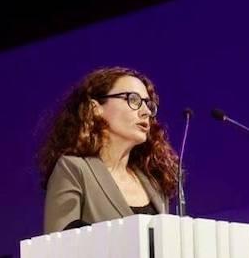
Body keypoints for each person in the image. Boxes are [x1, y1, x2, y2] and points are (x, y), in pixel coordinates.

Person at [39, 66, 179, 233]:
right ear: (95, 109)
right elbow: (59, 245)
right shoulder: (74, 170)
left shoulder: (153, 182)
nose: (146, 111)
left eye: (148, 104)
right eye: (133, 100)